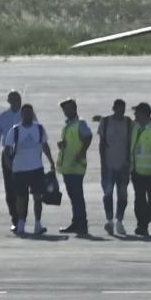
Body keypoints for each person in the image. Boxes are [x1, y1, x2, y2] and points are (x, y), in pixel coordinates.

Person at [4, 103, 56, 236]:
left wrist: (51, 161)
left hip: (36, 168)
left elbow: (45, 146)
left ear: (32, 114)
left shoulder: (39, 129)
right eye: (25, 113)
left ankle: (38, 224)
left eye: (30, 113)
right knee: (21, 198)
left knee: (37, 197)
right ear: (21, 115)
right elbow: (7, 149)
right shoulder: (15, 130)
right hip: (19, 169)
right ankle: (21, 223)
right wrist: (9, 164)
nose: (28, 115)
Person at [57, 99, 93, 235]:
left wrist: (82, 153)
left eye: (69, 108)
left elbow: (88, 137)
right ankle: (77, 222)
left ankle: (81, 223)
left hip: (76, 166)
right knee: (74, 196)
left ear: (75, 108)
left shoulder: (80, 123)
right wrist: (63, 144)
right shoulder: (69, 125)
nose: (66, 111)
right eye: (65, 109)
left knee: (77, 196)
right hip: (68, 166)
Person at [129, 102, 151, 236]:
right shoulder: (134, 127)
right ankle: (142, 225)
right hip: (137, 171)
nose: (135, 115)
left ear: (144, 114)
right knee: (139, 201)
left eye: (137, 113)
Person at [0, 91, 24, 231]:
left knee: (22, 189)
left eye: (19, 99)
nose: (17, 101)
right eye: (14, 99)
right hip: (8, 154)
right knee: (10, 189)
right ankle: (15, 218)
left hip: (23, 154)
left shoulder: (27, 114)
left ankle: (22, 218)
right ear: (9, 101)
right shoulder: (4, 117)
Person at [98, 98, 132, 235]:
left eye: (123, 109)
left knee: (122, 194)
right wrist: (103, 163)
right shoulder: (105, 122)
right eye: (118, 109)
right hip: (109, 164)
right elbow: (101, 144)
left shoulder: (129, 123)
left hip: (123, 164)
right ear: (113, 108)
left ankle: (120, 220)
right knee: (108, 193)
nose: (121, 112)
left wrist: (129, 161)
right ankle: (109, 219)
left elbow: (131, 143)